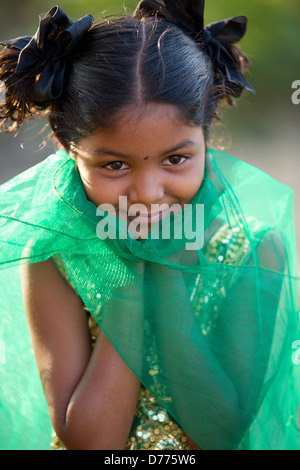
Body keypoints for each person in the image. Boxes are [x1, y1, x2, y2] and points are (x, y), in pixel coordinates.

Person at [0, 1, 299, 451]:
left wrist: (164, 267)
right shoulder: (53, 256)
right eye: (115, 164)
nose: (147, 193)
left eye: (176, 159)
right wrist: (125, 285)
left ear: (206, 134)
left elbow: (220, 433)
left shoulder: (255, 250)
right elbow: (91, 442)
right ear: (68, 147)